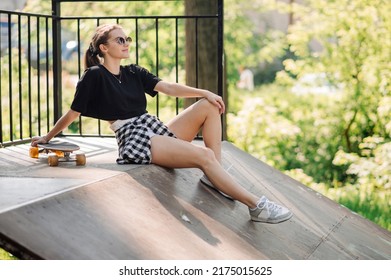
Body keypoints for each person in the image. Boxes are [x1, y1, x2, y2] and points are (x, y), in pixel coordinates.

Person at [31, 23, 292, 224]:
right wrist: (48, 137)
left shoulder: (133, 72)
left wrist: (204, 92)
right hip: (134, 137)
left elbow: (167, 87)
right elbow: (74, 111)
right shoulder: (95, 76)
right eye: (119, 40)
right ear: (104, 48)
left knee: (209, 106)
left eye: (127, 39)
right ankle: (256, 205)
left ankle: (215, 176)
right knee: (203, 155)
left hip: (152, 128)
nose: (125, 43)